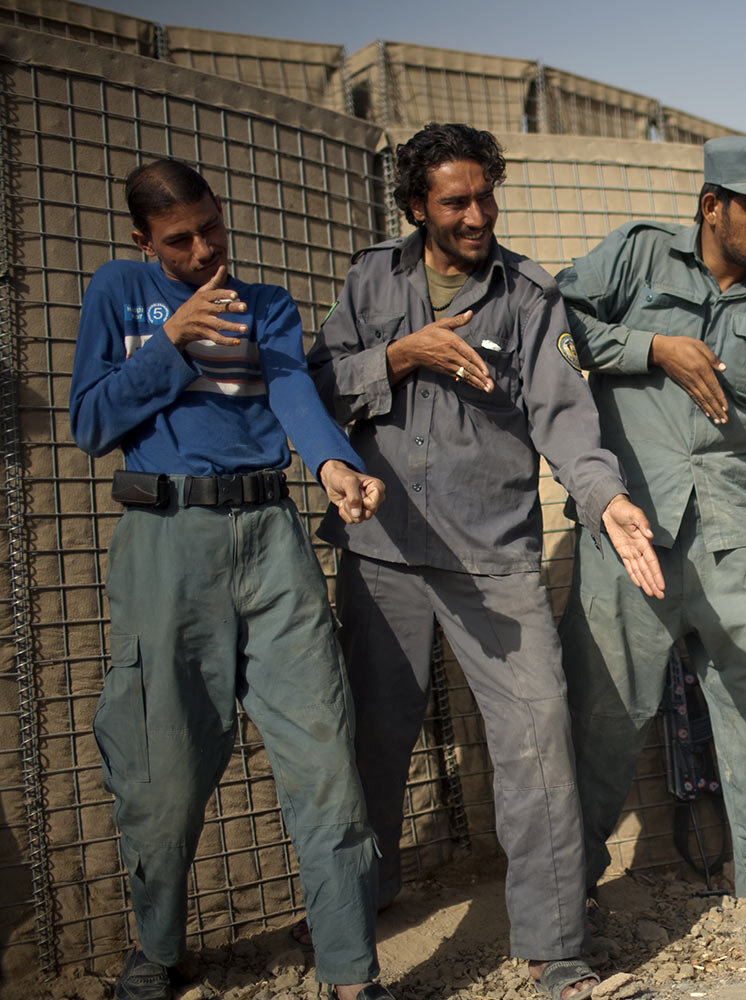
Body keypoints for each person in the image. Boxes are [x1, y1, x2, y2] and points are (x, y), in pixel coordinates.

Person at [308, 123, 661, 1000]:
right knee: (373, 743)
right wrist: (401, 354)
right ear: (417, 206)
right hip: (383, 550)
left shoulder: (528, 294)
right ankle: (360, 912)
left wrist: (604, 496)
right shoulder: (371, 279)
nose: (476, 215)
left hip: (494, 557)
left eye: (485, 197)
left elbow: (563, 414)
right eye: (455, 201)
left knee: (538, 740)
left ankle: (555, 949)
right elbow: (315, 385)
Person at [69, 160, 394, 1000]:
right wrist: (172, 341)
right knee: (161, 770)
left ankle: (352, 975)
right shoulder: (117, 292)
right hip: (165, 544)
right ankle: (158, 950)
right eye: (180, 239)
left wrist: (330, 462)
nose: (205, 247)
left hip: (270, 541)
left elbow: (290, 388)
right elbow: (92, 422)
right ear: (143, 240)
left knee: (324, 757)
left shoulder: (268, 304)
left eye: (213, 226)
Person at [556, 137, 746, 941]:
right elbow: (551, 328)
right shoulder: (637, 258)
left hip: (737, 537)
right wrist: (648, 346)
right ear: (710, 205)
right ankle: (570, 886)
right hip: (631, 528)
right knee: (603, 714)